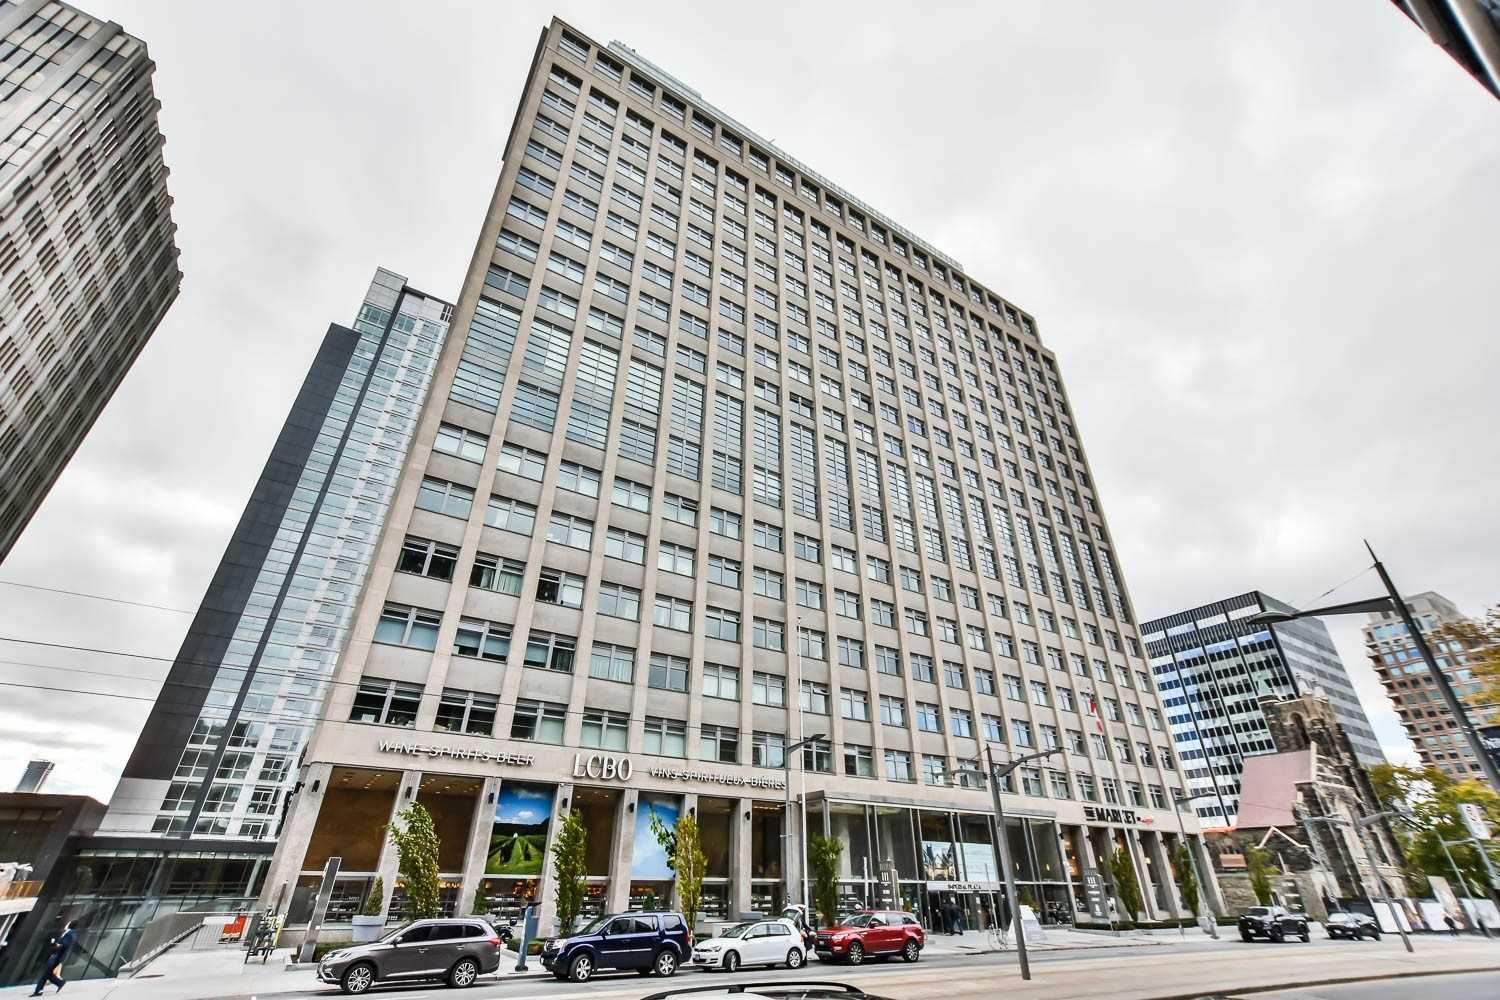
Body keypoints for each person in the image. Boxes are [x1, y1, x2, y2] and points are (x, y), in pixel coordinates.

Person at [31, 920, 77, 997]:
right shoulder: (68, 933)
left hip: (57, 956)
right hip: (55, 955)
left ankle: (59, 983)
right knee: (46, 973)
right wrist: (54, 944)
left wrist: (56, 944)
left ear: (70, 925)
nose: (66, 924)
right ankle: (39, 991)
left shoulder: (71, 934)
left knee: (46, 972)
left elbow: (64, 945)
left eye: (68, 923)